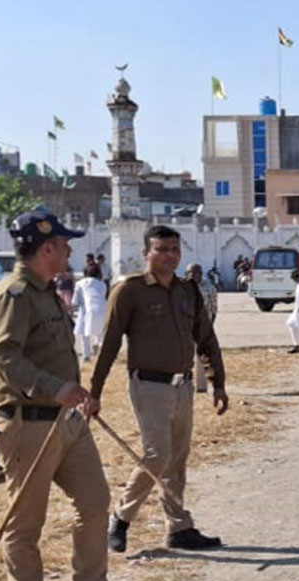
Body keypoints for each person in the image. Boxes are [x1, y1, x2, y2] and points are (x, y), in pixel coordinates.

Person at [0, 211, 138, 581]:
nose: (70, 250)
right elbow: (4, 357)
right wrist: (55, 388)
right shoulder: (13, 295)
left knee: (94, 502)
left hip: (67, 421)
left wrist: (75, 394)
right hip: (28, 423)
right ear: (47, 248)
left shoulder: (47, 292)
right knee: (26, 520)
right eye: (65, 244)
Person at [92, 224, 230, 555]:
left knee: (177, 460)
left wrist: (218, 382)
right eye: (162, 250)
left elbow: (206, 338)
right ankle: (121, 517)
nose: (170, 256)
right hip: (148, 386)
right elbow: (109, 343)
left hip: (182, 386)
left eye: (175, 250)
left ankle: (178, 527)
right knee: (157, 455)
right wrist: (94, 392)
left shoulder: (187, 291)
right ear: (146, 254)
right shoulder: (130, 291)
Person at [187, 262, 219, 393]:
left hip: (203, 326)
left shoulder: (209, 288)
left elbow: (214, 307)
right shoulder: (183, 288)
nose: (193, 276)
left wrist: (210, 325)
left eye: (196, 273)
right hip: (187, 325)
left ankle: (201, 386)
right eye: (190, 273)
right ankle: (186, 384)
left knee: (202, 356)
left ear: (200, 274)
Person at [72, 266, 108, 361]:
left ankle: (86, 355)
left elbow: (75, 301)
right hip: (103, 307)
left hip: (87, 308)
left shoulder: (80, 283)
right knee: (100, 331)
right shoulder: (102, 284)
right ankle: (99, 346)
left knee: (84, 332)